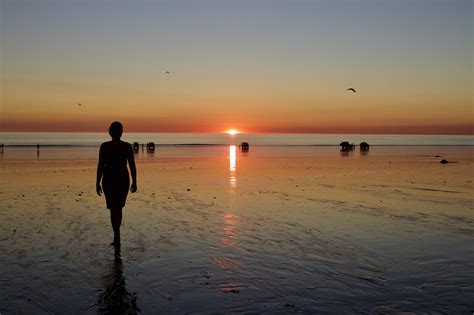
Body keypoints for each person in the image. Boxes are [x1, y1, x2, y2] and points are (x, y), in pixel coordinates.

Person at [96, 122, 137, 246]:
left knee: (114, 209)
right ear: (121, 132)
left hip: (109, 179)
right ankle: (117, 235)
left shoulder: (105, 146)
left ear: (110, 132)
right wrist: (135, 181)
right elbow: (132, 165)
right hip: (122, 179)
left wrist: (97, 182)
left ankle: (116, 235)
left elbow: (100, 167)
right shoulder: (126, 146)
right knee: (118, 208)